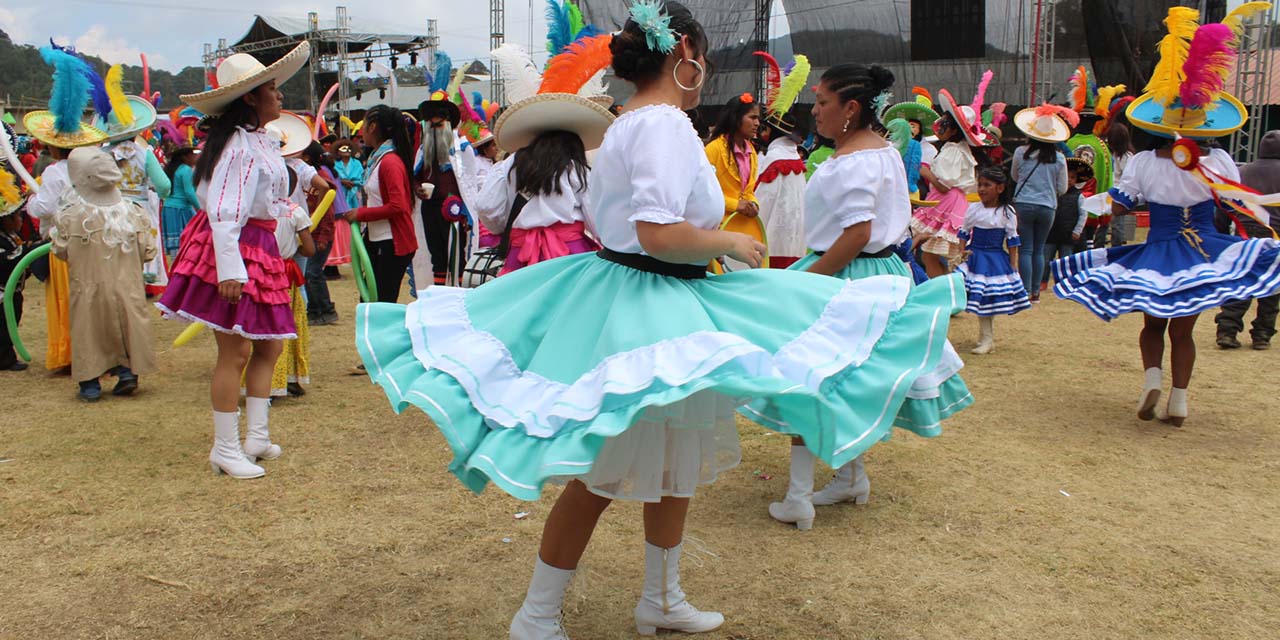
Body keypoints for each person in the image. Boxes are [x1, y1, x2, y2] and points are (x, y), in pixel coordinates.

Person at [354, 4, 968, 637]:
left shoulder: (628, 123)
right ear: (687, 58)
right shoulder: (663, 126)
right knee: (602, 467)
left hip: (647, 294)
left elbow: (626, 223)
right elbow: (656, 232)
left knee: (672, 456)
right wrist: (726, 243)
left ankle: (661, 597)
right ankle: (538, 614)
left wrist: (707, 245)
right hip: (648, 299)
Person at [767, 63, 973, 530]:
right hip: (870, 271)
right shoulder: (878, 152)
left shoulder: (858, 159)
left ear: (851, 108)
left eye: (822, 102)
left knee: (808, 377)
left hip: (848, 275)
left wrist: (810, 280)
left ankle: (801, 494)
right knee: (840, 381)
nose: (814, 111)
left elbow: (857, 233)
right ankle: (849, 476)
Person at [1051, 8, 1280, 427]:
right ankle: (1179, 400)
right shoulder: (1220, 161)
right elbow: (1235, 206)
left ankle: (1151, 379)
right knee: (1184, 330)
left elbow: (1118, 204)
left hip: (1158, 250)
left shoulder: (1143, 163)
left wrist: (1090, 203)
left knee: (1153, 324)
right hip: (1203, 251)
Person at [156, 42, 311, 479]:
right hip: (238, 249)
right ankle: (225, 447)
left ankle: (256, 435)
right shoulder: (239, 147)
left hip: (259, 249)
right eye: (273, 89)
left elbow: (272, 202)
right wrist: (230, 269)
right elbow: (225, 210)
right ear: (250, 97)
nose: (280, 97)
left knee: (270, 344)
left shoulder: (260, 141)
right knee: (236, 349)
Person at [51, 147, 159, 401]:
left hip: (87, 285)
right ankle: (126, 372)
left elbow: (61, 251)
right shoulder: (133, 212)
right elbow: (149, 251)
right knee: (126, 327)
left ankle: (90, 384)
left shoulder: (70, 216)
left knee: (88, 330)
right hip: (127, 285)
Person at [475, 130, 600, 275]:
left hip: (521, 254)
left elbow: (486, 206)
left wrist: (504, 229)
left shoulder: (510, 164)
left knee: (522, 295)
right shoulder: (577, 170)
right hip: (570, 254)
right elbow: (597, 218)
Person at [342, 104, 418, 303]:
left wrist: (361, 214)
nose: (361, 130)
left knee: (381, 302)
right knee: (369, 299)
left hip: (392, 242)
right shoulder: (380, 158)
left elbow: (398, 206)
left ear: (373, 127)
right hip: (379, 239)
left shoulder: (389, 161)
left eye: (364, 124)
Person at [1215, 129, 1280, 350]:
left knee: (1240, 282)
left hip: (1243, 235)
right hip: (1275, 236)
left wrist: (1221, 233)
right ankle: (1262, 334)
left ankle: (1227, 329)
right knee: (1272, 287)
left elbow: (1224, 205)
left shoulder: (1240, 171)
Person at [957, 167, 1030, 354]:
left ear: (1000, 188)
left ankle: (987, 339)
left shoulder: (1007, 212)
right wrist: (961, 253)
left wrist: (1013, 265)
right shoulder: (974, 209)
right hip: (975, 257)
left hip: (994, 260)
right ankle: (984, 337)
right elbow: (964, 232)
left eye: (987, 185)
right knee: (978, 297)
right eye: (979, 185)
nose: (981, 189)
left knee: (987, 299)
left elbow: (1012, 240)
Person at [1011, 104, 1071, 301]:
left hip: (1024, 203)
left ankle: (1025, 290)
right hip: (1048, 206)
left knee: (1025, 249)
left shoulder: (1021, 152)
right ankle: (1036, 292)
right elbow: (1062, 188)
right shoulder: (1060, 158)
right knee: (1039, 249)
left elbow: (1014, 176)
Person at [754, 65, 810, 270]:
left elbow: (760, 205)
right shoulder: (795, 158)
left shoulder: (774, 160)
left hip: (771, 249)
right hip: (796, 246)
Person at [705, 93, 763, 270]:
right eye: (752, 117)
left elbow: (749, 190)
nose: (757, 123)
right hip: (717, 229)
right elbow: (703, 194)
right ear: (736, 118)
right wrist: (735, 205)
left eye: (758, 118)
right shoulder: (713, 149)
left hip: (743, 228)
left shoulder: (751, 151)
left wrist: (753, 204)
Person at [300, 141, 344, 326]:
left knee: (313, 272)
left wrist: (323, 237)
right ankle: (314, 310)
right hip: (312, 232)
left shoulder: (321, 179)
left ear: (307, 158)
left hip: (319, 234)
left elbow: (327, 212)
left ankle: (326, 309)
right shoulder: (313, 176)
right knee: (310, 273)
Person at [0, 177, 34, 372]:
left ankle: (6, 354)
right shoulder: (3, 241)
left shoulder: (13, 237)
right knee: (2, 326)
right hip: (2, 292)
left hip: (13, 292)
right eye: (16, 216)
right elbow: (6, 263)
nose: (21, 220)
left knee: (12, 320)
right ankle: (5, 358)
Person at [1041, 157, 1090, 290]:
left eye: (1072, 177)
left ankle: (1065, 283)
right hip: (1051, 233)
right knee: (1045, 260)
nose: (1068, 180)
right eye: (1066, 176)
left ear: (1076, 180)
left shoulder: (1079, 196)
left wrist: (1077, 230)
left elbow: (1083, 214)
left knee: (1066, 260)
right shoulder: (1052, 193)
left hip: (1068, 235)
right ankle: (1042, 282)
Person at [161, 146, 199, 256]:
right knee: (187, 242)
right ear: (185, 157)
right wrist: (200, 207)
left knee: (175, 246)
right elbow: (189, 192)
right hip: (181, 209)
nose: (195, 157)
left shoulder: (171, 169)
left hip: (169, 208)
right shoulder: (186, 170)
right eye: (193, 154)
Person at [1106, 122, 1137, 247]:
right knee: (1105, 223)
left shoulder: (1127, 157)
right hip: (1109, 191)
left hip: (1119, 194)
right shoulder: (1112, 154)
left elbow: (1127, 177)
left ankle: (1116, 247)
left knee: (1117, 225)